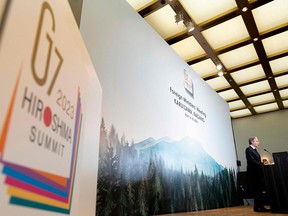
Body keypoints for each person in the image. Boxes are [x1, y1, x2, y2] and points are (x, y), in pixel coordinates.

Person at [245, 136, 270, 212]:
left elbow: (257, 161)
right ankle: (258, 207)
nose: (258, 142)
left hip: (258, 173)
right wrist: (261, 165)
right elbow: (251, 161)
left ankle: (260, 206)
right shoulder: (248, 149)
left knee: (259, 190)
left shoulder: (255, 150)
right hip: (254, 173)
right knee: (257, 191)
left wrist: (263, 163)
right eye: (257, 141)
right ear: (252, 142)